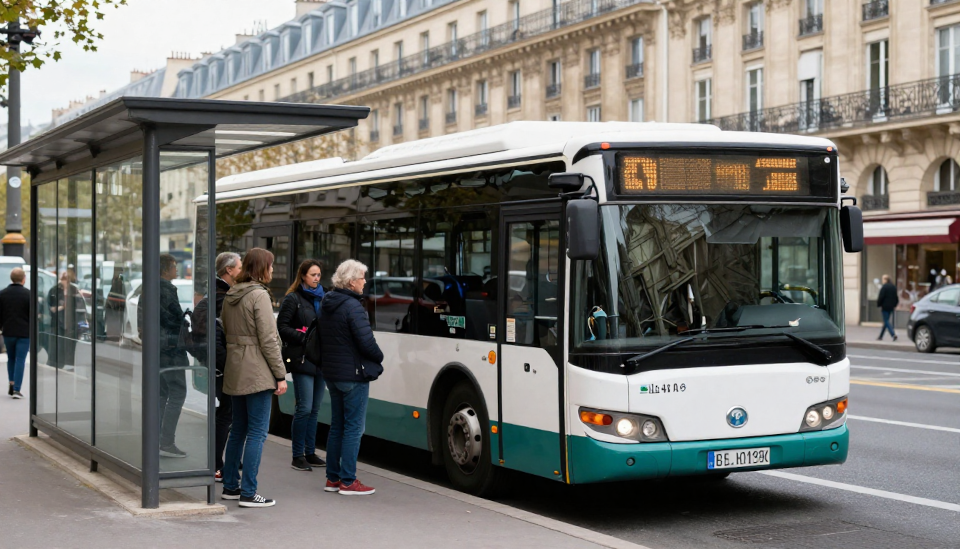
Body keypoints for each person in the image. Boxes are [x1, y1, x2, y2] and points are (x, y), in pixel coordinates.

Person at [220, 248, 287, 508]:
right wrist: (280, 374)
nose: (272, 270)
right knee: (258, 432)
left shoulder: (231, 293)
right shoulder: (259, 296)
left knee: (238, 429)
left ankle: (230, 486)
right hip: (257, 368)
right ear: (261, 268)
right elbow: (269, 339)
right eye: (270, 266)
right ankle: (249, 492)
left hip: (236, 366)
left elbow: (225, 329)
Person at [319, 259, 383, 496]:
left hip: (333, 374)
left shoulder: (328, 303)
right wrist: (380, 356)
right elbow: (366, 342)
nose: (365, 282)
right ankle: (348, 480)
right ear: (350, 281)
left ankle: (332, 478)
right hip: (353, 375)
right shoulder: (353, 307)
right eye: (361, 278)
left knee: (337, 426)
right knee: (354, 428)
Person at [192, 252, 241, 481]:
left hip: (217, 364)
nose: (242, 271)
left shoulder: (215, 293)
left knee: (226, 413)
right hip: (224, 365)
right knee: (226, 414)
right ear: (229, 270)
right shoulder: (224, 297)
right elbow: (222, 337)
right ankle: (216, 464)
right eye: (240, 267)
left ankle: (220, 461)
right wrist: (228, 365)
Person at [137, 254, 190, 458]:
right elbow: (174, 321)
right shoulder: (166, 289)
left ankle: (155, 440)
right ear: (165, 269)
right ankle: (166, 441)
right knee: (177, 392)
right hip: (170, 350)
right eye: (174, 266)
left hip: (156, 350)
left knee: (162, 394)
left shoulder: (147, 288)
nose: (177, 270)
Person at [278, 259, 327, 472]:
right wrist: (303, 335)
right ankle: (297, 455)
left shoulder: (324, 298)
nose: (317, 278)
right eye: (313, 275)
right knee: (304, 408)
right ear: (303, 276)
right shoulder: (293, 299)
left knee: (315, 409)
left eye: (319, 275)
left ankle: (310, 452)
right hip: (302, 359)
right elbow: (282, 327)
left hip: (320, 360)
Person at [0, 268, 31, 399]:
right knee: (21, 359)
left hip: (8, 332)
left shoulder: (2, 294)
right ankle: (17, 389)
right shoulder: (28, 294)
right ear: (23, 279)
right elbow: (33, 314)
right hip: (24, 332)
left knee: (11, 358)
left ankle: (11, 384)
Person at [47, 269, 85, 371]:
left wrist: (82, 325)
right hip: (58, 323)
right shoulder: (54, 290)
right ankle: (57, 363)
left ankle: (69, 363)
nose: (64, 281)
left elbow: (81, 309)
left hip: (71, 324)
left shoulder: (74, 290)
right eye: (63, 278)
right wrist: (61, 307)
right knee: (58, 345)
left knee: (70, 345)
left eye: (66, 278)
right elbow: (51, 308)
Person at [877, 274, 899, 341]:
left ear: (886, 280)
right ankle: (880, 336)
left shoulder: (884, 287)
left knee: (886, 321)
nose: (882, 281)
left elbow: (881, 297)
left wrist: (879, 304)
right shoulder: (893, 287)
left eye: (883, 279)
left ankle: (893, 334)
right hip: (891, 307)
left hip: (885, 306)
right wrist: (895, 305)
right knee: (885, 321)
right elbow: (896, 298)